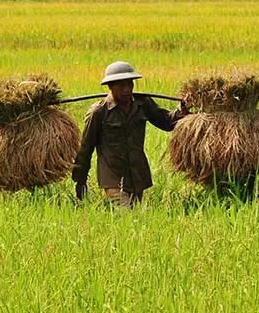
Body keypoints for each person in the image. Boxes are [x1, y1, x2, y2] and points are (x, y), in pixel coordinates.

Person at [72, 61, 187, 207]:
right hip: (112, 177)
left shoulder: (143, 104)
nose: (127, 89)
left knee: (136, 219)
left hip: (137, 176)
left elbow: (166, 122)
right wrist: (80, 179)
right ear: (110, 86)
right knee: (125, 215)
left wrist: (181, 111)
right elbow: (86, 148)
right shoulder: (99, 112)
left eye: (129, 84)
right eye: (121, 85)